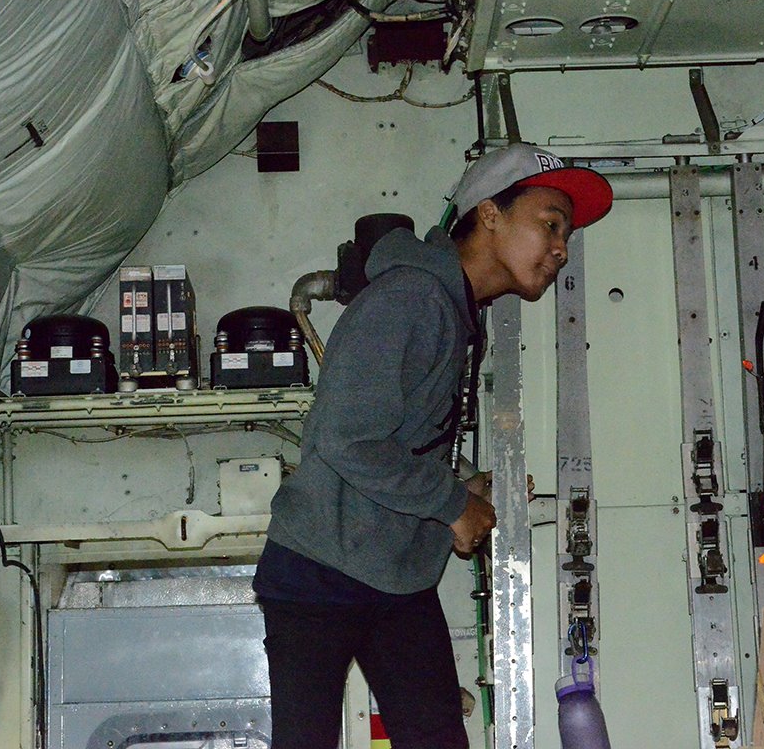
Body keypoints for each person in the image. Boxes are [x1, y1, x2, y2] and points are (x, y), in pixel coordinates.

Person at [253, 142, 613, 749]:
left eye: (567, 236)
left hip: (394, 577)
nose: (561, 249)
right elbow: (345, 437)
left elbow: (399, 442)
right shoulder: (411, 298)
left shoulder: (451, 309)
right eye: (551, 224)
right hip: (320, 573)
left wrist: (465, 489)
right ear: (489, 214)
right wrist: (451, 505)